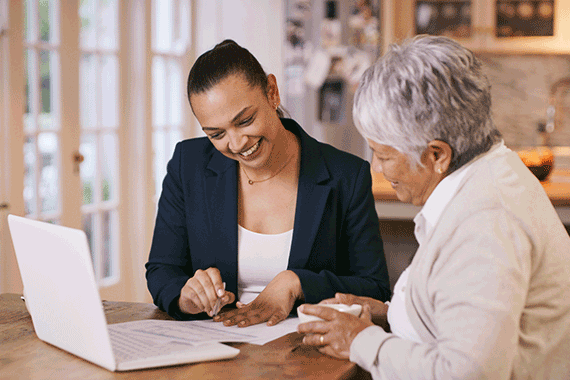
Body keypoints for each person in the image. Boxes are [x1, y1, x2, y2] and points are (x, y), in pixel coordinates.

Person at [297, 35, 570, 379]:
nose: (377, 169)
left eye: (383, 155)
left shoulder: (484, 224)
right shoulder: (489, 172)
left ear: (437, 155)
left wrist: (361, 340)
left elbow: (467, 373)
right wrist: (387, 313)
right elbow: (462, 313)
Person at [145, 40, 391, 327]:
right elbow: (162, 269)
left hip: (307, 350)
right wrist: (185, 297)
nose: (236, 144)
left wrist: (297, 282)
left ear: (272, 92)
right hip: (215, 346)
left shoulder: (346, 175)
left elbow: (375, 288)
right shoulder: (187, 165)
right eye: (216, 134)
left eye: (245, 120)